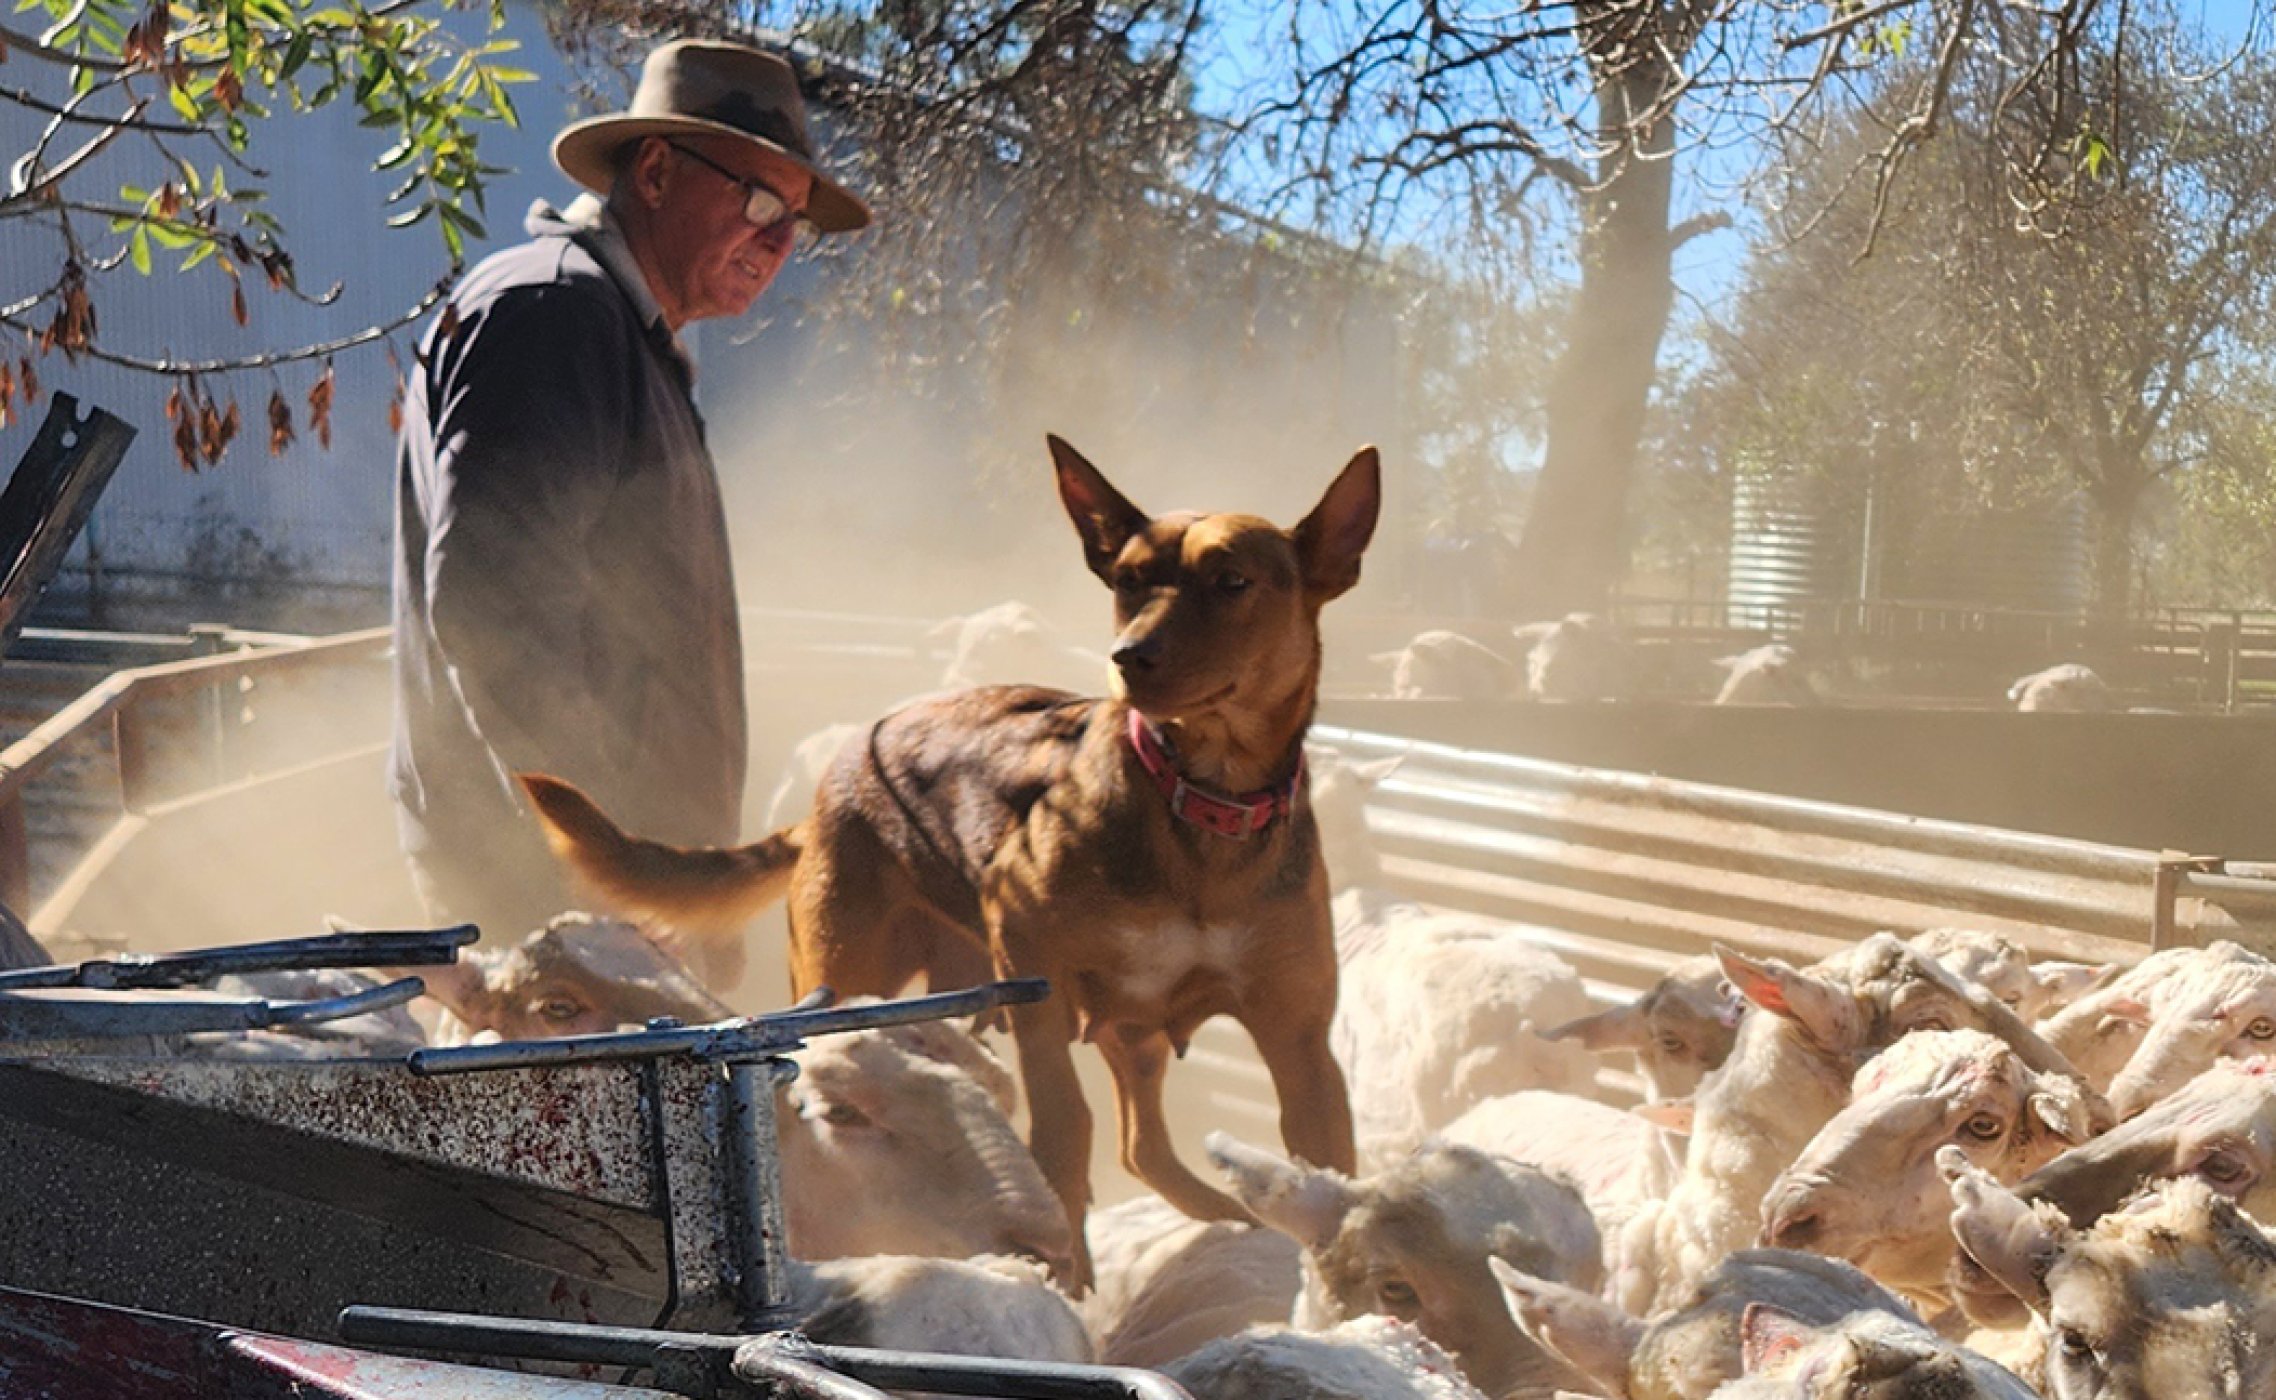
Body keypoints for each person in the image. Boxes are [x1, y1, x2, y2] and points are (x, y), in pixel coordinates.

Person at [389, 39, 870, 950]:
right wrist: (624, 875)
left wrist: (675, 877)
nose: (778, 243)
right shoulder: (554, 316)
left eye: (795, 221)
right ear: (654, 170)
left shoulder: (614, 331)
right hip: (558, 909)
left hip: (610, 897)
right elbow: (500, 614)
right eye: (763, 200)